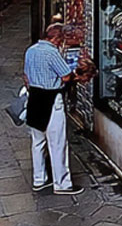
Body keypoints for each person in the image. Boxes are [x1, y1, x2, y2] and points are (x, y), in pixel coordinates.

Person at [23, 23, 83, 195]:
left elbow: (26, 76)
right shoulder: (51, 52)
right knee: (57, 143)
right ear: (56, 38)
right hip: (51, 98)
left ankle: (39, 179)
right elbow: (65, 76)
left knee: (37, 142)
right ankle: (62, 184)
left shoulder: (31, 50)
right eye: (61, 40)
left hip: (34, 97)